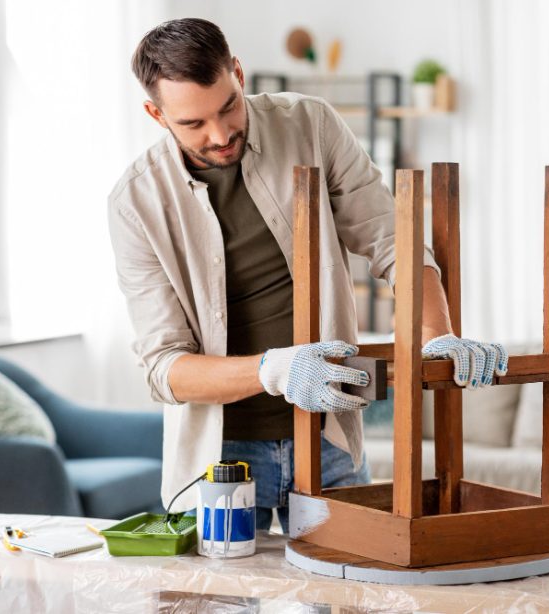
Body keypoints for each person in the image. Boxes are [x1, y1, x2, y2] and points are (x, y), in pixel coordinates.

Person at [108, 18, 507, 531]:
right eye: (193, 124)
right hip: (219, 457)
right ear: (155, 114)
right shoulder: (135, 203)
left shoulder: (309, 124)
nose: (221, 134)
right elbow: (164, 368)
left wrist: (437, 333)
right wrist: (273, 370)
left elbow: (391, 238)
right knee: (227, 605)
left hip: (330, 436)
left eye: (228, 106)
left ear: (238, 72)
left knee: (345, 602)